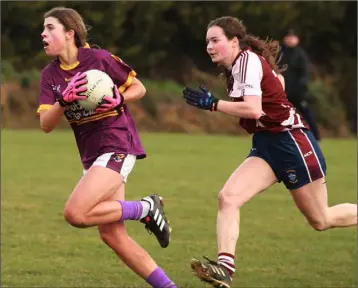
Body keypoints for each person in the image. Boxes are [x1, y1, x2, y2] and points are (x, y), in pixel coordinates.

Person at [182, 16, 357, 288]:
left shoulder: (248, 61)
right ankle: (225, 268)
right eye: (207, 42)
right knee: (228, 198)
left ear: (234, 41)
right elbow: (279, 83)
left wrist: (214, 104)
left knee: (321, 219)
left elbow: (254, 109)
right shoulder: (238, 66)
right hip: (267, 144)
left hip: (292, 144)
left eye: (215, 40)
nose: (209, 47)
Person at [37, 7, 176, 288]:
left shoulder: (98, 59)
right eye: (43, 28)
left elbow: (138, 87)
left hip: (117, 143)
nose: (43, 33)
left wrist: (120, 100)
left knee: (75, 214)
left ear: (69, 33)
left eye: (50, 28)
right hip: (91, 154)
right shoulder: (50, 76)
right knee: (112, 235)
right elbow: (45, 124)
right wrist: (62, 102)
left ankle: (145, 208)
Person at [279, 29, 321, 141]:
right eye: (288, 37)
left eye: (292, 37)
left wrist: (301, 88)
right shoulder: (280, 52)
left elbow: (305, 74)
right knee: (281, 114)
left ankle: (316, 136)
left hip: (298, 92)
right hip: (283, 91)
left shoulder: (300, 54)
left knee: (306, 113)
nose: (290, 39)